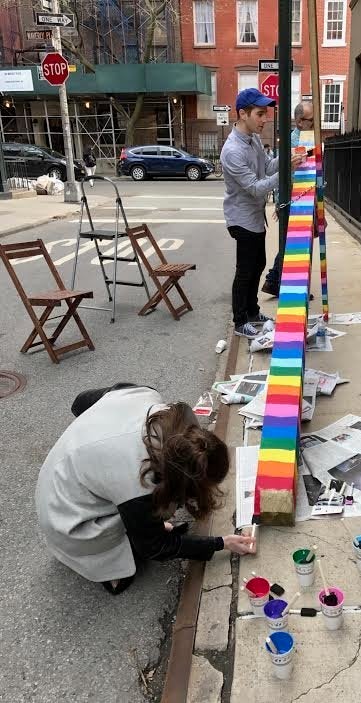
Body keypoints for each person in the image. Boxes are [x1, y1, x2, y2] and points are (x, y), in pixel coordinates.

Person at [35, 384, 254, 595]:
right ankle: (103, 563)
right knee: (132, 560)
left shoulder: (146, 397)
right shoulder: (137, 479)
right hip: (66, 519)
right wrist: (220, 543)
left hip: (56, 476)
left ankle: (130, 518)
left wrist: (91, 440)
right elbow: (155, 547)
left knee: (147, 514)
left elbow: (80, 402)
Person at [220, 88, 305, 339]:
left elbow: (267, 166)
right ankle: (239, 321)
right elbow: (256, 189)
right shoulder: (232, 151)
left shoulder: (254, 139)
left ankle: (253, 312)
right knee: (245, 270)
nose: (264, 119)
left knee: (258, 265)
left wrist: (288, 157)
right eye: (259, 114)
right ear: (242, 114)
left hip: (255, 217)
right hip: (241, 218)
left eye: (265, 113)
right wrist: (286, 172)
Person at [262, 100, 314, 297]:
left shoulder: (306, 138)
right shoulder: (295, 142)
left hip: (303, 198)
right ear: (300, 121)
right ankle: (280, 282)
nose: (314, 124)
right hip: (297, 199)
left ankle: (276, 280)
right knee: (295, 245)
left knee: (294, 243)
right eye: (311, 120)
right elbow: (290, 174)